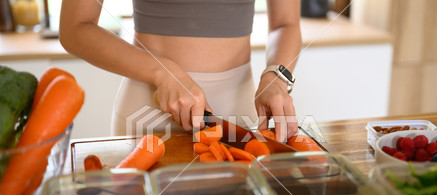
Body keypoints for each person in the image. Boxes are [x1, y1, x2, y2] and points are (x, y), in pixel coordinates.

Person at [59, 0, 301, 142]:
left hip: (238, 116)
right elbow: (75, 28)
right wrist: (163, 72)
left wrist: (276, 78)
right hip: (147, 116)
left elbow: (285, 23)